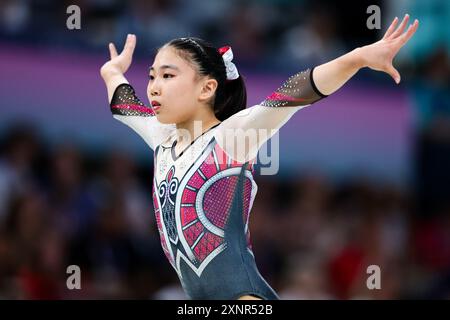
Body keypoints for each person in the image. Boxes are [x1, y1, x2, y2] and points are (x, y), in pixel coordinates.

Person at [100, 15, 418, 300]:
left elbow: (295, 93)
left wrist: (358, 57)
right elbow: (124, 105)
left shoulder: (230, 136)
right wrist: (112, 72)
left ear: (207, 88)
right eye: (152, 76)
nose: (153, 87)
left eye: (168, 76)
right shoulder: (161, 137)